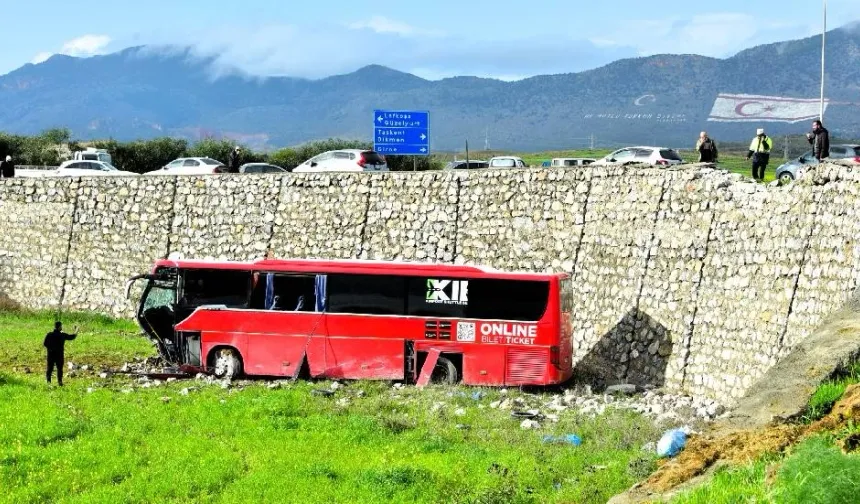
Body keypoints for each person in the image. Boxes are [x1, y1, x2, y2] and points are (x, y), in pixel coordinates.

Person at [44, 321, 79, 386]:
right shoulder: (62, 335)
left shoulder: (49, 334)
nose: (61, 327)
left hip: (51, 354)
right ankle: (60, 382)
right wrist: (76, 330)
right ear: (59, 326)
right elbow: (72, 337)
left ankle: (48, 382)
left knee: (49, 369)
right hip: (59, 355)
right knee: (59, 369)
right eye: (61, 326)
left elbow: (45, 344)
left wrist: (50, 349)